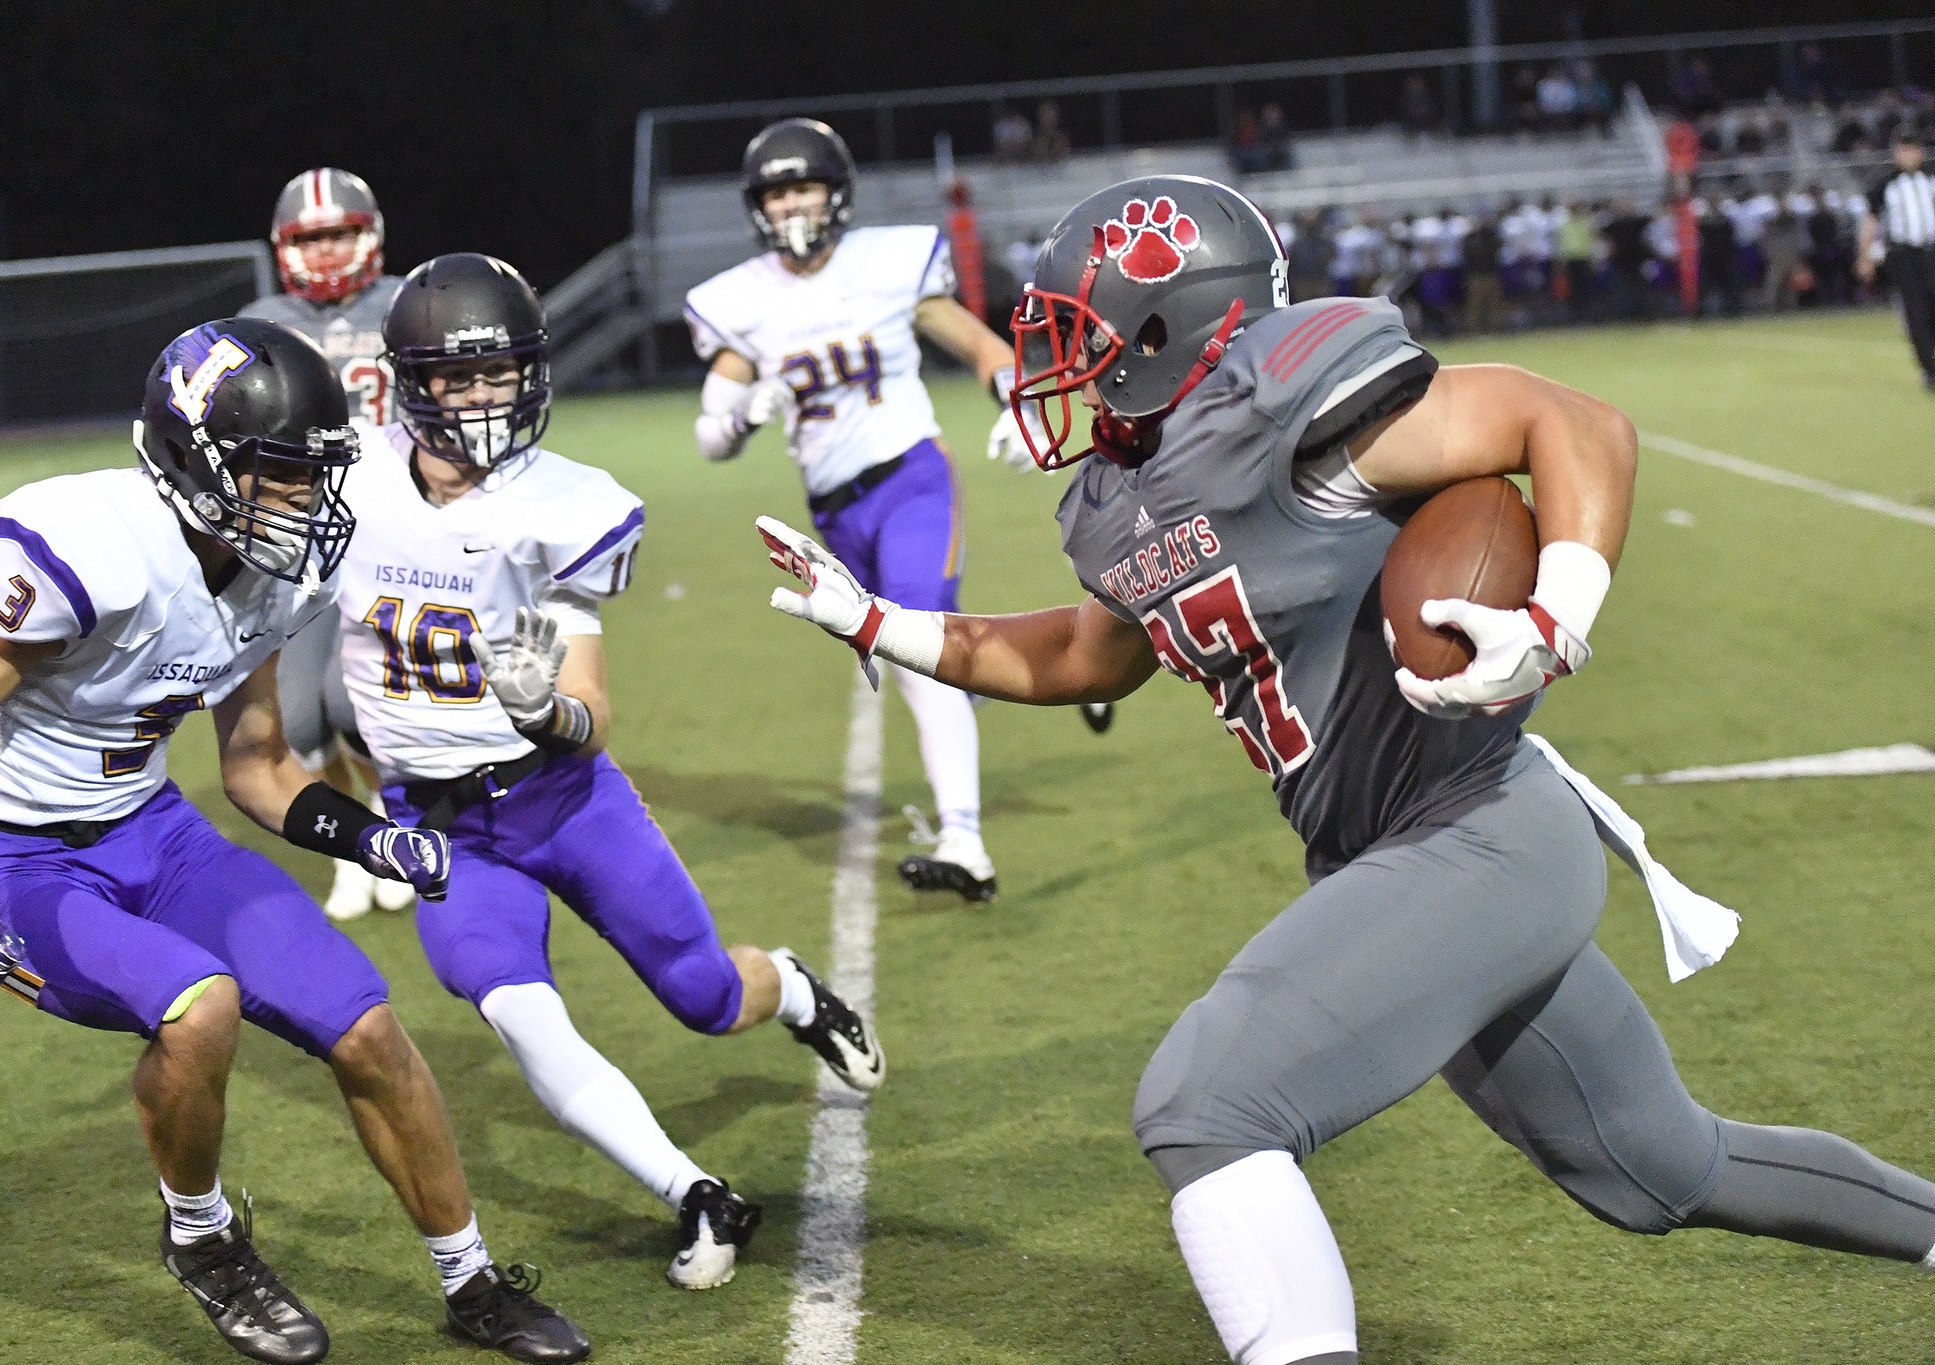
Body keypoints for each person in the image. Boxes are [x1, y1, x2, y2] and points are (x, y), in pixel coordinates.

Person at [759, 173, 1935, 1365]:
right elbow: (1080, 653)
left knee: (1204, 1106)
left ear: (1170, 323)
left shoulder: (1296, 406)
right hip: (1386, 861)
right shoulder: (1122, 497)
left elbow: (1570, 424)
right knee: (1656, 1166)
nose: (1065, 364)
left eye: (1085, 332)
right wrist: (877, 623)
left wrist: (1552, 615)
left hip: (1479, 831)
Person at [0, 317, 586, 1364]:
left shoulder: (280, 573)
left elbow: (255, 764)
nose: (308, 498)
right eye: (278, 473)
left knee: (365, 1027)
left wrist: (369, 840)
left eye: (316, 473)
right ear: (192, 462)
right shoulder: (86, 546)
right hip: (5, 849)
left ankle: (471, 1279)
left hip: (150, 829)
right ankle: (204, 1240)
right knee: (198, 1008)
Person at [333, 253, 887, 1291]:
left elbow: (589, 717)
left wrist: (549, 710)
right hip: (437, 823)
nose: (487, 397)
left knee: (708, 998)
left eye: (503, 373)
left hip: (557, 797)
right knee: (517, 1011)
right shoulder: (354, 486)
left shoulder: (565, 504)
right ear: (413, 383)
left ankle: (798, 992)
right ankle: (694, 1193)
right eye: (462, 378)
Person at [684, 118, 1101, 904]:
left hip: (912, 476)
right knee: (925, 657)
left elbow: (985, 351)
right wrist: (743, 415)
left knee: (918, 631)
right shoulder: (740, 299)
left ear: (836, 192)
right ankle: (1076, 671)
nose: (791, 204)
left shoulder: (888, 264)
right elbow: (711, 434)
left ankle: (966, 842)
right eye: (777, 191)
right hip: (834, 515)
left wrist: (1018, 407)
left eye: (803, 184)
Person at [239, 168, 410, 923]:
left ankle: (393, 822)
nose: (329, 248)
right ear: (284, 247)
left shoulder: (409, 300)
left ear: (369, 233)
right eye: (313, 237)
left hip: (387, 535)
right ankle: (356, 843)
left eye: (340, 231)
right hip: (294, 541)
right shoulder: (262, 317)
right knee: (301, 723)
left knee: (352, 704)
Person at [1859, 130, 1935, 390]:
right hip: (1904, 254)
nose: (1908, 156)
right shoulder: (1885, 183)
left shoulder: (1931, 177)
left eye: (1912, 149)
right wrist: (1865, 256)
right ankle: (1929, 369)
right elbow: (1871, 220)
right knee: (1916, 312)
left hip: (1933, 250)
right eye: (1902, 150)